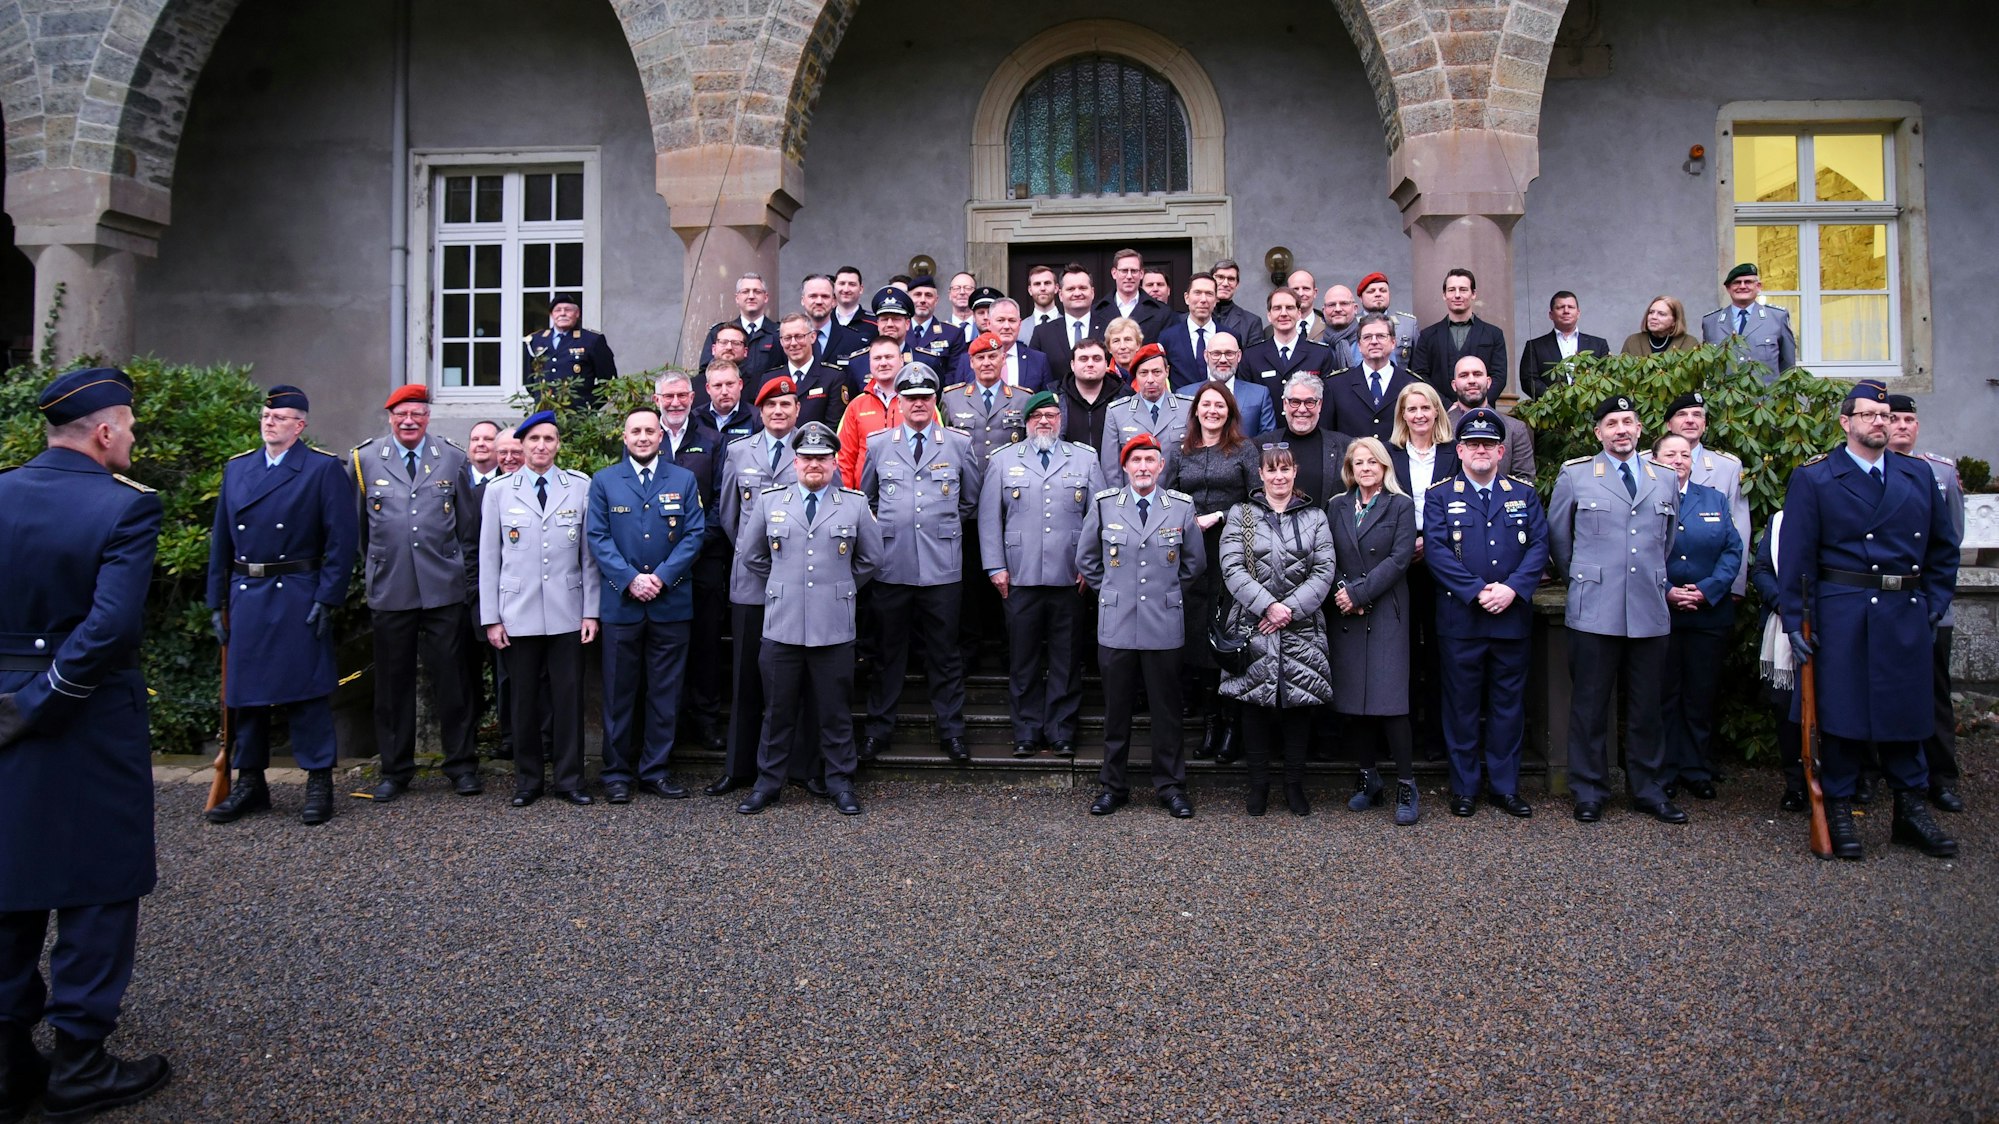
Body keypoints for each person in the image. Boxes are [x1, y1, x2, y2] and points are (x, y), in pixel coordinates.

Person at [0, 367, 173, 1121]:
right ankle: (79, 1062)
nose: (133, 437)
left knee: (9, 879)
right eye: (129, 425)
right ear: (105, 433)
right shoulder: (123, 509)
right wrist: (43, 702)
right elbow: (109, 628)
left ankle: (8, 1062)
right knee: (99, 884)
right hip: (85, 718)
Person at [1778, 380, 1958, 859]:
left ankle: (1911, 811)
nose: (1880, 421)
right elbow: (1797, 560)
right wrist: (1795, 623)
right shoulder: (1815, 478)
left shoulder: (1917, 476)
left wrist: (1934, 606)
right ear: (1846, 422)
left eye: (1886, 414)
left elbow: (1943, 549)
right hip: (1843, 612)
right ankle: (1837, 807)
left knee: (1907, 714)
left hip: (1905, 612)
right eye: (1869, 414)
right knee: (1840, 716)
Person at [203, 385, 358, 827]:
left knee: (306, 693)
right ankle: (250, 783)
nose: (269, 422)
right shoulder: (238, 470)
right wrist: (217, 600)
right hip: (246, 593)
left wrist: (327, 596)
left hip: (296, 591)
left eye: (280, 417)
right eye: (266, 416)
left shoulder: (321, 469)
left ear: (300, 425)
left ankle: (318, 782)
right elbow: (221, 541)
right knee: (246, 696)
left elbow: (341, 542)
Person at [737, 421, 884, 816]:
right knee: (777, 712)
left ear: (834, 463)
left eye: (822, 458)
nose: (814, 464)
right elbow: (751, 555)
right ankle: (767, 784)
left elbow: (872, 558)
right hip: (782, 624)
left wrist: (838, 586)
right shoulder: (771, 501)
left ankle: (840, 781)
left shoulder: (852, 504)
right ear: (795, 461)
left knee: (835, 711)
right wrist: (788, 584)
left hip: (833, 625)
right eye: (807, 458)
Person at [1548, 395, 1682, 824]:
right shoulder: (1577, 475)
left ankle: (1648, 788)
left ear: (1640, 430)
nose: (1621, 429)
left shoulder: (1663, 477)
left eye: (1628, 422)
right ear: (1598, 433)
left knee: (1647, 706)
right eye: (1612, 423)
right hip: (1595, 606)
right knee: (1589, 704)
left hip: (1648, 605)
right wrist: (1584, 580)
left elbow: (1668, 539)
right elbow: (1559, 540)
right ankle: (1588, 789)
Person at [351, 385, 482, 801]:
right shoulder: (364, 459)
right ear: (390, 416)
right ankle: (395, 770)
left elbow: (466, 527)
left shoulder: (452, 457)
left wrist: (459, 573)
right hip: (391, 589)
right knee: (392, 685)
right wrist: (378, 566)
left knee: (454, 682)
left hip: (443, 589)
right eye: (401, 414)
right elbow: (359, 531)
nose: (409, 421)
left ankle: (461, 765)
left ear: (428, 418)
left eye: (418, 414)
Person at [1424, 408, 1548, 817]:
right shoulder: (1440, 495)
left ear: (1501, 452)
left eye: (1489, 445)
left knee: (1507, 706)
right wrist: (1477, 592)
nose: (1482, 450)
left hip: (1510, 618)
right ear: (1459, 450)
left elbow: (1539, 548)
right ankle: (1464, 787)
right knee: (1460, 706)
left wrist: (1512, 589)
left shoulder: (1522, 494)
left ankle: (1505, 786)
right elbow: (1438, 553)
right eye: (1473, 444)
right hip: (1462, 619)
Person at [1078, 434, 1206, 818]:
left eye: (1151, 460)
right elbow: (1087, 560)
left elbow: (1193, 564)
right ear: (1125, 467)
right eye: (1136, 461)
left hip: (1163, 624)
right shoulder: (1105, 506)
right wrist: (1117, 591)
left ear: (1161, 466)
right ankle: (1113, 787)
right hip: (1117, 622)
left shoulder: (1180, 507)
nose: (1144, 467)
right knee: (1116, 711)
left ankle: (1170, 787)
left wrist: (1164, 592)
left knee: (1166, 711)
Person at [860, 365, 980, 763]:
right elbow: (868, 501)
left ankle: (952, 730)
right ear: (899, 400)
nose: (917, 404)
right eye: (910, 397)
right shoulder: (879, 444)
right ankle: (879, 730)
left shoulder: (959, 445)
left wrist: (935, 527)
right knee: (888, 653)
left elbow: (969, 501)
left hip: (941, 566)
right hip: (892, 566)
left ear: (935, 400)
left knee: (945, 654)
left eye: (925, 396)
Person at [480, 411, 599, 807]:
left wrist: (591, 611)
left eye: (549, 439)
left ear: (558, 444)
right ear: (522, 445)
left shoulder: (580, 487)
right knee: (524, 700)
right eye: (534, 440)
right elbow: (489, 559)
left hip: (567, 608)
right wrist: (491, 618)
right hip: (518, 611)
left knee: (568, 698)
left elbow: (589, 557)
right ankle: (528, 780)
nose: (541, 446)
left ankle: (569, 779)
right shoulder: (499, 491)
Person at [588, 405, 706, 804]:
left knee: (665, 692)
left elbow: (694, 534)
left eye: (649, 431)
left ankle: (655, 771)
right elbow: (598, 536)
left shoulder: (684, 479)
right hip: (622, 604)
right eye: (635, 430)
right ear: (625, 437)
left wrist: (659, 577)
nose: (642, 437)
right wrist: (630, 579)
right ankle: (616, 773)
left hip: (670, 602)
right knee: (619, 692)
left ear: (661, 437)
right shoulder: (604, 481)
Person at [978, 391, 1107, 758]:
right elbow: (989, 520)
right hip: (1019, 576)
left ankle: (1061, 730)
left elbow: (1097, 518)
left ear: (1061, 420)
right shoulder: (1004, 461)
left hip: (1070, 575)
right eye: (1038, 417)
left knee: (1067, 659)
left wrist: (1090, 566)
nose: (1045, 422)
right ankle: (1027, 731)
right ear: (1027, 422)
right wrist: (995, 567)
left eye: (1052, 415)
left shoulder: (1084, 458)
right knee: (1023, 659)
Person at [1218, 443, 1336, 816]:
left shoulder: (1315, 516)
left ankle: (1294, 785)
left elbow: (1324, 570)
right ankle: (1259, 786)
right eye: (1272, 470)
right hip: (1254, 624)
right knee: (1253, 705)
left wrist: (1289, 609)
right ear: (1262, 475)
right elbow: (1232, 566)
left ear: (1294, 471)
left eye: (1285, 469)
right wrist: (1268, 606)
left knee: (1298, 705)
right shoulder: (1242, 514)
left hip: (1302, 626)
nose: (1279, 476)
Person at [712, 376, 802, 795]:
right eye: (771, 406)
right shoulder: (737, 451)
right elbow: (730, 517)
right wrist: (756, 557)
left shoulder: (812, 449)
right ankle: (739, 768)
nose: (779, 411)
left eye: (786, 404)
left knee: (794, 679)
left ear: (797, 410)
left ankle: (800, 769)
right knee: (746, 677)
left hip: (799, 582)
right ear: (760, 411)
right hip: (750, 583)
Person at [1167, 381, 1262, 763]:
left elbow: (1257, 497)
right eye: (1206, 405)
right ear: (1196, 411)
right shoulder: (1180, 451)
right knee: (1196, 642)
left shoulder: (1243, 449)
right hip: (1191, 557)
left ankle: (1231, 729)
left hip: (1231, 551)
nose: (1212, 411)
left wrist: (1221, 515)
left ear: (1230, 412)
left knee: (1226, 638)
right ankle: (1209, 726)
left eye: (1219, 406)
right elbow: (1168, 495)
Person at [1329, 437, 1421, 824]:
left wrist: (1360, 592)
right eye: (1358, 462)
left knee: (1389, 701)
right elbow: (1325, 553)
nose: (1365, 468)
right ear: (1350, 468)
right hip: (1345, 611)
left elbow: (1401, 558)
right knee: (1356, 703)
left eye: (1372, 462)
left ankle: (1406, 783)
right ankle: (1369, 779)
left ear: (1385, 466)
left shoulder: (1401, 505)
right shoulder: (1335, 506)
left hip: (1386, 611)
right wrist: (1343, 593)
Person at [1648, 432, 1744, 803]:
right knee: (1665, 695)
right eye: (1670, 453)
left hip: (1708, 613)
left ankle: (1696, 768)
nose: (1678, 459)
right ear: (1654, 459)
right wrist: (1668, 588)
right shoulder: (1646, 497)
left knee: (1700, 695)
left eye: (1684, 454)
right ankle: (1666, 768)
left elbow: (1732, 551)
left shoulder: (1714, 499)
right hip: (1661, 610)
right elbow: (1640, 552)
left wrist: (1709, 589)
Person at [1886, 393, 1968, 813]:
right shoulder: (1869, 471)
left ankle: (1940, 777)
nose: (1901, 425)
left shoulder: (1939, 471)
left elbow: (1949, 542)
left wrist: (1937, 604)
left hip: (1928, 605)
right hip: (1883, 604)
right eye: (1893, 418)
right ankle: (1874, 775)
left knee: (1934, 693)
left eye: (1908, 419)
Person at [1386, 380, 1458, 760]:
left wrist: (1431, 542)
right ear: (1402, 415)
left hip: (1443, 558)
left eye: (1424, 408)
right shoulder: (1389, 453)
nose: (1418, 415)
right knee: (1405, 651)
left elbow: (1461, 506)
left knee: (1439, 649)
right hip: (1401, 560)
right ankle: (1406, 734)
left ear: (1436, 412)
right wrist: (1406, 545)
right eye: (1410, 410)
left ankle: (1437, 736)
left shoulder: (1453, 454)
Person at [1663, 390, 1750, 596]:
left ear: (1705, 424)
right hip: (1657, 589)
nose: (1690, 420)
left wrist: (1735, 587)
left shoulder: (1727, 466)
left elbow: (1740, 529)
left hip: (1713, 587)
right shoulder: (1646, 462)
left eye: (1697, 415)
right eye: (1682, 415)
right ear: (1669, 424)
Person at [1252, 373, 1350, 506]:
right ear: (1285, 404)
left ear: (1319, 405)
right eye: (1295, 402)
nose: (1302, 409)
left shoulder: (1344, 446)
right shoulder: (1259, 446)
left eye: (1310, 402)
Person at [1411, 268, 1510, 399]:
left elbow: (1499, 376)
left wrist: (1479, 404)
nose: (1457, 295)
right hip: (1440, 414)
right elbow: (1420, 375)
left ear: (1473, 294)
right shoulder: (1427, 336)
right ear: (1444, 295)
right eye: (1451, 290)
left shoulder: (1494, 334)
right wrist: (1444, 405)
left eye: (1463, 289)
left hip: (1481, 413)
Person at [1097, 344, 1191, 480]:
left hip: (1176, 497)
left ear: (1167, 371)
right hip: (1133, 498)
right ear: (1135, 376)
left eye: (1156, 372)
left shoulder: (1187, 408)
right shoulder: (1117, 412)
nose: (1150, 380)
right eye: (1144, 373)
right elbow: (1111, 471)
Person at [1325, 314, 1418, 445]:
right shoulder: (1336, 385)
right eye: (1367, 337)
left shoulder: (1411, 384)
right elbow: (1329, 436)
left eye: (1381, 336)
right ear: (1359, 345)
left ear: (1393, 342)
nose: (1374, 341)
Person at [1700, 263, 1798, 381]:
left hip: (1764, 396)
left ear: (1758, 286)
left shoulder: (1777, 317)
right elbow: (1707, 364)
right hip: (1725, 396)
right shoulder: (1711, 321)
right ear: (1728, 288)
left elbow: (1787, 365)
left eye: (1748, 282)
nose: (1742, 286)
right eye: (1736, 282)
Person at [1445, 355, 1534, 480]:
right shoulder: (1440, 427)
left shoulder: (1515, 429)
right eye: (1464, 375)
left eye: (1477, 374)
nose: (1471, 380)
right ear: (1454, 385)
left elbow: (1525, 480)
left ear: (1488, 382)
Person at [523, 292, 618, 408]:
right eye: (558, 310)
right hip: (545, 412)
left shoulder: (592, 340)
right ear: (552, 315)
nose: (562, 314)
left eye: (568, 310)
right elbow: (529, 381)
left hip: (579, 415)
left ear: (577, 313)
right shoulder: (535, 340)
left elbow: (609, 383)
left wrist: (587, 406)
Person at [836, 335, 907, 489]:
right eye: (877, 358)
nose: (883, 363)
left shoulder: (918, 402)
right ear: (869, 363)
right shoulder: (856, 406)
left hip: (909, 497)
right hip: (864, 500)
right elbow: (844, 459)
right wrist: (846, 499)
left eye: (889, 357)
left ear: (901, 360)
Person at [1241, 288, 1334, 398]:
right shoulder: (1252, 356)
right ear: (1269, 315)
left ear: (1299, 313)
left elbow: (1328, 400)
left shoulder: (1320, 354)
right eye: (1277, 308)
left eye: (1289, 308)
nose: (1283, 313)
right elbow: (1246, 402)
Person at [1028, 264, 1112, 383]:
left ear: (1092, 293)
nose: (1077, 293)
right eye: (1071, 289)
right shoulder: (1042, 333)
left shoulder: (1110, 329)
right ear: (1061, 295)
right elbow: (1034, 374)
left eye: (1082, 288)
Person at [1517, 291, 1609, 399]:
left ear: (1578, 313)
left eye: (1570, 307)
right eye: (1560, 307)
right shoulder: (1535, 346)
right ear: (1551, 315)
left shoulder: (1598, 344)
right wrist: (1557, 399)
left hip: (1589, 410)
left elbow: (1605, 376)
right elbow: (1529, 380)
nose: (1566, 311)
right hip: (1550, 410)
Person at [1187, 332, 1275, 435]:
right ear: (1206, 356)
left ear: (1239, 356)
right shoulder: (1186, 395)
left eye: (1229, 353)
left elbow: (1268, 441)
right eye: (1216, 354)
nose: (1223, 360)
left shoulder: (1259, 395)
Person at [775, 312, 854, 427]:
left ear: (812, 337)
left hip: (816, 444)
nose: (793, 343)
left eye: (799, 336)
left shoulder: (833, 378)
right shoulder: (770, 378)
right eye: (787, 338)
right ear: (781, 341)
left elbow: (834, 427)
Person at [952, 299, 1049, 391]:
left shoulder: (1038, 360)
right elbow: (959, 400)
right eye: (1000, 320)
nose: (1006, 326)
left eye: (1012, 320)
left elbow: (1047, 403)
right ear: (989, 323)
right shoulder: (967, 360)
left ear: (1019, 324)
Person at [696, 273, 779, 379]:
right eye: (745, 292)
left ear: (766, 297)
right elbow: (705, 373)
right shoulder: (719, 332)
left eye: (757, 292)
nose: (751, 296)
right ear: (737, 298)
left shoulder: (778, 333)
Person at [1056, 336, 1128, 449]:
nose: (1090, 364)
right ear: (1072, 365)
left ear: (1106, 364)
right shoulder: (1056, 397)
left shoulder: (1125, 396)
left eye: (1097, 359)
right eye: (1083, 359)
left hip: (1113, 466)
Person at [1158, 271, 1225, 386]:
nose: (1203, 299)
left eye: (1209, 293)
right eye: (1197, 293)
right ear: (1187, 298)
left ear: (1216, 300)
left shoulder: (1229, 336)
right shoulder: (1168, 338)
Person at [1096, 248, 1170, 340]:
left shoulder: (1162, 312)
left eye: (1134, 271)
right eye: (1124, 271)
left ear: (1141, 273)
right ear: (1114, 273)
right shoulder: (1096, 311)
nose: (1129, 276)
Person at [1354, 271, 1419, 368]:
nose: (1378, 294)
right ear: (1361, 298)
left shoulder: (1408, 324)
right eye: (1371, 291)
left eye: (1382, 290)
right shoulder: (1352, 324)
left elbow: (1417, 365)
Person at [697, 357, 762, 444]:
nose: (724, 392)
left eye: (729, 384)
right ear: (708, 388)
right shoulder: (696, 419)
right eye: (718, 385)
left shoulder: (757, 418)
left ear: (740, 384)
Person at [1619, 295, 1700, 358]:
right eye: (1651, 312)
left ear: (1674, 321)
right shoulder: (1632, 341)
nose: (1653, 317)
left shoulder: (1689, 342)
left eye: (1661, 314)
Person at [1209, 259, 1265, 349]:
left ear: (1237, 284)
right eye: (1220, 277)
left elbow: (1254, 359)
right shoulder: (1191, 318)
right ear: (1211, 281)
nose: (1225, 283)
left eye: (1231, 279)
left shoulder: (1251, 322)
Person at [1317, 284, 1361, 364]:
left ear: (1355, 309)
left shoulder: (1370, 343)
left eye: (1344, 303)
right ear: (1323, 311)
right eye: (1331, 305)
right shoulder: (1316, 349)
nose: (1338, 309)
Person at [831, 265, 876, 339]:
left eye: (852, 284)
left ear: (861, 289)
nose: (846, 289)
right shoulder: (825, 321)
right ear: (834, 287)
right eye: (842, 283)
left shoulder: (875, 323)